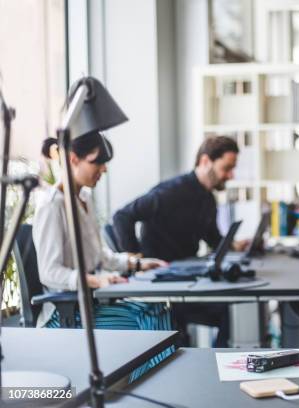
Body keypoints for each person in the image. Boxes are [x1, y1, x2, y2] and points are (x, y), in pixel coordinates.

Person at [33, 132, 173, 379]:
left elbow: (101, 256)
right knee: (149, 316)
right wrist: (96, 280)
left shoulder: (84, 198)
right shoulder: (51, 205)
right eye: (97, 162)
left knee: (159, 309)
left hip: (89, 306)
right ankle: (146, 392)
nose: (104, 169)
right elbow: (49, 272)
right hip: (64, 316)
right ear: (74, 159)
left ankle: (150, 386)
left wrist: (137, 263)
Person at [112, 136, 246, 347]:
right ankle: (218, 367)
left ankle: (219, 366)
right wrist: (135, 263)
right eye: (226, 168)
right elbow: (122, 217)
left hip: (187, 280)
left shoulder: (208, 199)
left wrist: (235, 245)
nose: (230, 175)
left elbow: (212, 238)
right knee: (228, 312)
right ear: (205, 162)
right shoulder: (170, 192)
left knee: (233, 310)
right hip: (163, 285)